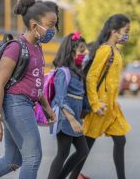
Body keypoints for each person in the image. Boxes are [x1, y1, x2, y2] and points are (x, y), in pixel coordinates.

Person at [0, 0, 58, 179]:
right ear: (35, 26)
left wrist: (46, 106)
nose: (54, 31)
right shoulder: (16, 47)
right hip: (15, 104)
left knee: (13, 159)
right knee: (33, 157)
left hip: (25, 104)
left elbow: (34, 82)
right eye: (51, 26)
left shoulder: (37, 47)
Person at [70, 14, 131, 179]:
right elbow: (91, 77)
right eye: (126, 30)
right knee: (86, 147)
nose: (127, 34)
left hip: (111, 107)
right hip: (100, 107)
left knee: (120, 140)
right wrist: (95, 104)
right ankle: (73, 176)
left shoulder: (114, 50)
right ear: (114, 31)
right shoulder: (105, 50)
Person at [47, 32, 89, 179]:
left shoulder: (78, 72)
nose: (85, 53)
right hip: (65, 119)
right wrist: (72, 120)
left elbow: (80, 95)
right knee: (62, 153)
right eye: (82, 50)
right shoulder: (63, 72)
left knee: (83, 150)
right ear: (71, 51)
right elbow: (60, 98)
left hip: (75, 119)